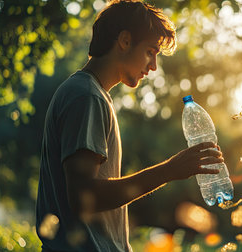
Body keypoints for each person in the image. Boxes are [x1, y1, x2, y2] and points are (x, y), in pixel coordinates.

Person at [35, 1, 223, 251]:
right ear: (124, 41)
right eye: (150, 51)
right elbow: (83, 198)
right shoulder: (86, 97)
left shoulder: (93, 95)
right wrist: (169, 170)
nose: (154, 65)